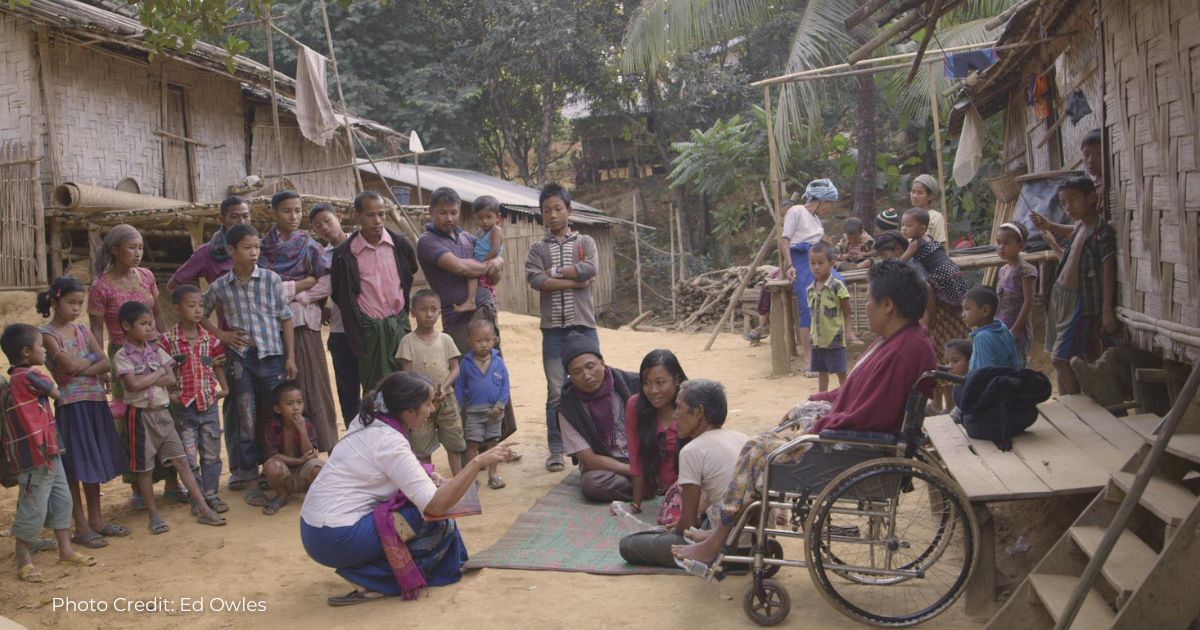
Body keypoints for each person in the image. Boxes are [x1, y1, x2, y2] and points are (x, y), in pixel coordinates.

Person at [672, 260, 938, 565]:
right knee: (773, 436)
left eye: (870, 301)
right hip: (851, 434)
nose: (866, 307)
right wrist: (817, 400)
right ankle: (723, 531)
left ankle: (718, 540)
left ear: (888, 305)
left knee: (756, 451)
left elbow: (870, 414)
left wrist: (819, 426)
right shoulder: (895, 343)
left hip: (852, 448)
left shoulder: (902, 351)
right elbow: (856, 392)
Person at [300, 372, 514, 606]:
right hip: (336, 538)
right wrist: (476, 463)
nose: (432, 409)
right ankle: (372, 578)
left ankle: (367, 571)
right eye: (427, 404)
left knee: (418, 500)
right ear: (408, 412)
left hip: (315, 531)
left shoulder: (368, 420)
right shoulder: (390, 442)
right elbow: (436, 504)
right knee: (433, 518)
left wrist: (429, 474)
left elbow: (383, 463)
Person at [87, 224, 182, 508]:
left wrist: (167, 346)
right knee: (133, 419)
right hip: (123, 356)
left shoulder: (147, 277)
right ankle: (139, 489)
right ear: (115, 250)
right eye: (132, 247)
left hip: (154, 352)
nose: (138, 253)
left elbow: (158, 316)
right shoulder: (101, 286)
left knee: (166, 411)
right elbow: (95, 329)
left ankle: (172, 482)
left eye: (141, 247)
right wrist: (101, 366)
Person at [414, 188, 516, 449]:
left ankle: (497, 443)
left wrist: (499, 264)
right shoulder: (427, 241)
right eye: (442, 213)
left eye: (454, 212)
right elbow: (460, 267)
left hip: (485, 310)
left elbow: (494, 272)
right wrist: (493, 264)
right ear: (431, 212)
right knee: (469, 378)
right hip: (458, 317)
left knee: (494, 373)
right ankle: (474, 446)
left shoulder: (467, 236)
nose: (449, 218)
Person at [203, 223, 296, 507]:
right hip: (241, 359)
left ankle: (275, 470)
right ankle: (250, 479)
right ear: (231, 251)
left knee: (273, 414)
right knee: (245, 416)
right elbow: (200, 314)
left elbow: (286, 317)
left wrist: (290, 357)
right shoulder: (220, 286)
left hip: (272, 357)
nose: (254, 252)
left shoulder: (270, 280)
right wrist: (221, 334)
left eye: (256, 247)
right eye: (247, 247)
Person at [113, 301, 226, 533]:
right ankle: (153, 515)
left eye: (150, 324)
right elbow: (133, 385)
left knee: (182, 460)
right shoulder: (122, 355)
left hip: (163, 413)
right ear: (126, 326)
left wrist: (149, 378)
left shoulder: (156, 350)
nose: (149, 329)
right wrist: (158, 374)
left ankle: (203, 508)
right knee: (144, 469)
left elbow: (171, 379)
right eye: (143, 324)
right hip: (140, 417)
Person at [37, 277, 129, 550]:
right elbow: (66, 366)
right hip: (71, 406)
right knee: (76, 466)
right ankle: (81, 526)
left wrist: (82, 364)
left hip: (95, 401)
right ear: (55, 301)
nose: (76, 308)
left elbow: (106, 363)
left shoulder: (82, 330)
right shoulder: (47, 335)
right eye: (70, 303)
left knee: (93, 462)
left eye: (80, 303)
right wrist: (90, 362)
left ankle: (97, 520)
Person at [2, 324, 96, 582]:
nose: (44, 351)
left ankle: (65, 550)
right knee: (34, 505)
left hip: (46, 450)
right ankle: (23, 558)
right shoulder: (30, 376)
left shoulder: (17, 379)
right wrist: (88, 362)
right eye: (40, 346)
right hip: (38, 454)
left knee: (60, 499)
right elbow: (57, 394)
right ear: (25, 351)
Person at [620, 379, 748, 567]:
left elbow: (688, 522)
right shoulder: (741, 437)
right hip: (757, 540)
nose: (674, 416)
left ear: (698, 412)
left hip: (730, 545)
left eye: (679, 408)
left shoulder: (692, 451)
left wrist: (677, 530)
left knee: (629, 545)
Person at [525, 183, 600, 473]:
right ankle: (557, 449)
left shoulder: (585, 242)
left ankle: (593, 445)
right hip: (553, 331)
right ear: (542, 215)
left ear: (569, 210)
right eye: (547, 211)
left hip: (583, 327)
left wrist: (554, 273)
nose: (553, 215)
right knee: (556, 392)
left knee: (591, 385)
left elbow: (590, 268)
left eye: (558, 209)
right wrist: (575, 282)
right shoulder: (537, 249)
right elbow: (536, 281)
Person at [258, 190, 338, 453]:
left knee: (313, 387)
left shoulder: (309, 246)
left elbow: (324, 280)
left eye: (298, 210)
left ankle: (322, 447)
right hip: (270, 330)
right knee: (277, 392)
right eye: (287, 211)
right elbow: (261, 288)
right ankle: (280, 455)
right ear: (274, 212)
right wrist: (300, 284)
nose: (293, 216)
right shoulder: (261, 249)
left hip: (304, 326)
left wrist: (299, 293)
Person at [330, 191, 418, 394]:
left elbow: (409, 272)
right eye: (370, 215)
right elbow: (339, 294)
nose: (377, 221)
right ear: (357, 216)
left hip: (399, 325)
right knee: (376, 390)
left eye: (382, 214)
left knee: (406, 387)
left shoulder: (400, 245)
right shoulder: (344, 254)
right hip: (369, 331)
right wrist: (364, 319)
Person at [1042, 176, 1117, 395]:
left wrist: (1106, 309)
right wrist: (1053, 243)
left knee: (1060, 359)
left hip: (1080, 304)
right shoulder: (1078, 228)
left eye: (1073, 200)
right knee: (1076, 356)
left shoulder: (1102, 232)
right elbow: (1070, 261)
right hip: (1061, 299)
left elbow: (1109, 270)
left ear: (1092, 197)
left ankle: (1077, 408)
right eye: (1063, 202)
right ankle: (1072, 404)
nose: (1067, 207)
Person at [160, 284, 229, 514]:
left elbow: (218, 364)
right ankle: (196, 498)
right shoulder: (167, 340)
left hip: (208, 402)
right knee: (189, 455)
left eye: (200, 305)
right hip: (183, 406)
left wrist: (225, 388)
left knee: (211, 451)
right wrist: (171, 396)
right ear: (177, 309)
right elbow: (161, 372)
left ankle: (211, 494)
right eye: (191, 306)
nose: (198, 310)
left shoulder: (210, 339)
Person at [900, 207, 970, 410]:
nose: (904, 229)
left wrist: (888, 265)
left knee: (940, 350)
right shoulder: (930, 238)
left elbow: (901, 263)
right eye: (902, 225)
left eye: (909, 225)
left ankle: (948, 405)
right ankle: (941, 403)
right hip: (954, 284)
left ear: (921, 227)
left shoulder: (916, 244)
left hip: (945, 291)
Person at [556, 333, 639, 501]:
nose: (587, 375)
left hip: (641, 456)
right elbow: (590, 459)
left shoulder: (633, 383)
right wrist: (633, 471)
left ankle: (642, 484)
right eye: (577, 371)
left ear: (602, 363)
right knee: (593, 485)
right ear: (569, 376)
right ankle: (645, 485)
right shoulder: (567, 408)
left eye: (590, 366)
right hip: (604, 466)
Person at [396, 290, 466, 475]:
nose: (429, 314)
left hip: (447, 399)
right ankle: (428, 482)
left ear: (440, 313)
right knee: (422, 446)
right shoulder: (407, 342)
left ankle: (459, 481)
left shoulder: (445, 339)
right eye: (423, 309)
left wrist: (443, 387)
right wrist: (423, 394)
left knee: (454, 443)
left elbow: (455, 368)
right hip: (420, 403)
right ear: (413, 312)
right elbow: (407, 374)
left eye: (434, 310)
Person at [305, 203, 360, 426]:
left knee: (375, 388)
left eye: (327, 221)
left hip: (366, 327)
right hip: (339, 330)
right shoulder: (323, 256)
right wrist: (321, 304)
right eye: (318, 226)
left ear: (338, 217)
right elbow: (320, 284)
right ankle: (354, 437)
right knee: (348, 392)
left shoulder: (360, 244)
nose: (325, 228)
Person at [781, 179, 840, 377]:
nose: (829, 209)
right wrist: (789, 264)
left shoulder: (816, 220)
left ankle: (830, 348)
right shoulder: (796, 211)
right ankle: (809, 358)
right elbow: (785, 240)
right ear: (820, 200)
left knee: (839, 287)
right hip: (801, 258)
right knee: (808, 304)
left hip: (819, 257)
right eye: (829, 204)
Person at [626, 349, 687, 513]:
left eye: (660, 382)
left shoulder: (691, 406)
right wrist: (636, 504)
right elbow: (635, 456)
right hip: (653, 484)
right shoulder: (635, 406)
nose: (653, 390)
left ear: (676, 380)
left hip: (689, 486)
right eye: (646, 382)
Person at [455, 319, 511, 490]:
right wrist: (458, 407)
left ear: (495, 339)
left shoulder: (498, 362)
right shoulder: (465, 363)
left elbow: (505, 385)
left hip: (495, 411)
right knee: (472, 443)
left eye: (487, 340)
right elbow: (459, 386)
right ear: (470, 341)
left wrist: (500, 405)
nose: (483, 344)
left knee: (493, 442)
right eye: (478, 341)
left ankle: (493, 474)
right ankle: (471, 477)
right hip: (473, 412)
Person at [262, 381, 324, 516]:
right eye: (289, 404)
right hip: (284, 476)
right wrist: (299, 461)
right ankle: (282, 495)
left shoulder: (307, 424)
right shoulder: (273, 427)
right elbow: (273, 455)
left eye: (299, 402)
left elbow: (310, 454)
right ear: (278, 409)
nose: (296, 408)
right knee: (271, 466)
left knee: (318, 467)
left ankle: (312, 496)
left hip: (304, 475)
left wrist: (302, 430)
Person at [167, 195, 253, 292]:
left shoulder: (259, 248)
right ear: (222, 220)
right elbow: (173, 285)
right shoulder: (208, 252)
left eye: (245, 216)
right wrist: (198, 301)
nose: (241, 222)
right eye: (234, 217)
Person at [994, 222, 1038, 359]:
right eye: (999, 242)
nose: (1001, 247)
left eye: (1006, 243)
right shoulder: (1002, 270)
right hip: (1001, 326)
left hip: (1017, 329)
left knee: (1017, 364)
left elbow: (1028, 302)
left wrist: (1016, 329)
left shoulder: (1026, 270)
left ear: (1020, 245)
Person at [455, 195, 505, 313]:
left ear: (497, 217)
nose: (484, 221)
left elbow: (494, 250)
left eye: (488, 217)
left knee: (471, 273)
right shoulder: (479, 233)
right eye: (480, 218)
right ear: (475, 218)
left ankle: (471, 301)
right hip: (481, 263)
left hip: (488, 262)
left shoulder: (496, 231)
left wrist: (481, 264)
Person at [962, 286, 1023, 370]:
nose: (963, 314)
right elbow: (1016, 364)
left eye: (967, 309)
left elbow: (986, 374)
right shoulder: (1003, 328)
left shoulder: (982, 337)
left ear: (985, 311)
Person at [910, 174, 950, 247]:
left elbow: (940, 244)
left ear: (930, 196)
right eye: (913, 192)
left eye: (919, 193)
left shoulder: (936, 217)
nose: (914, 196)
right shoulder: (909, 216)